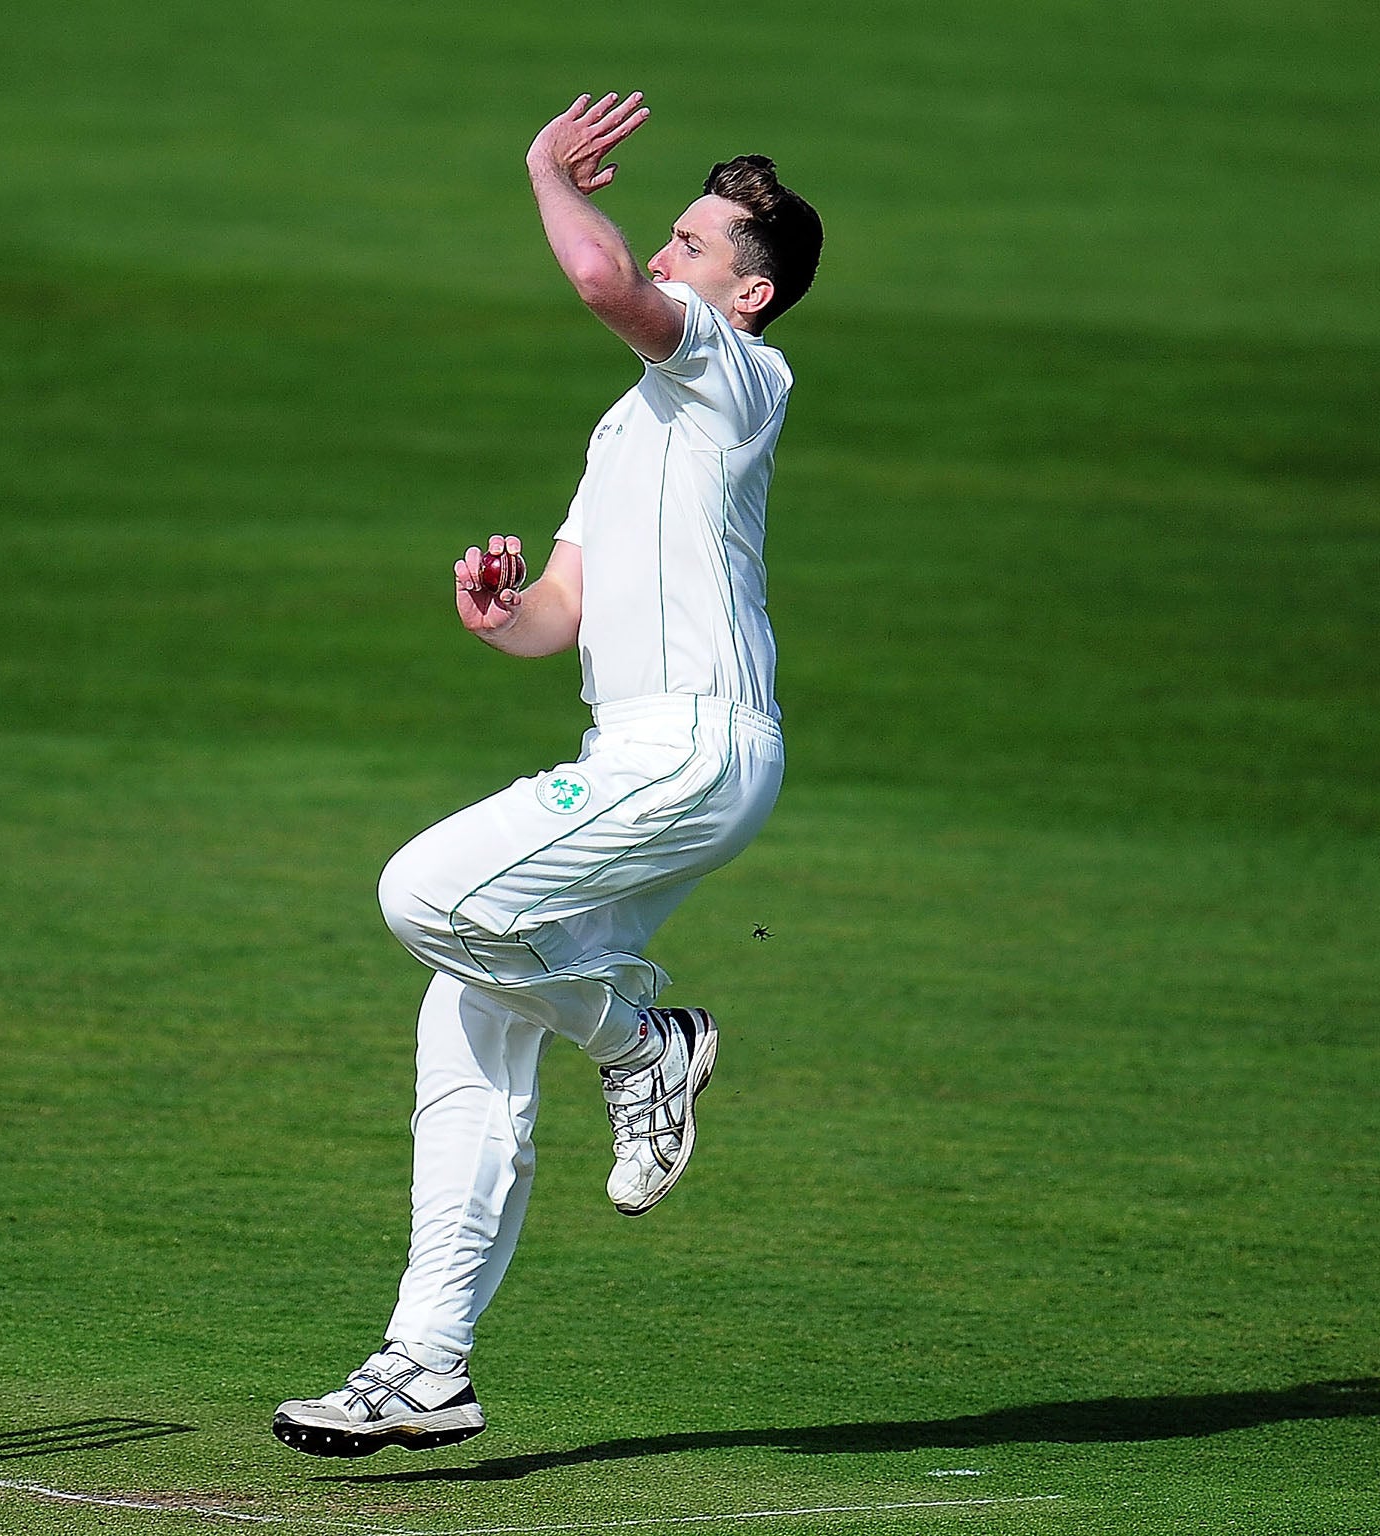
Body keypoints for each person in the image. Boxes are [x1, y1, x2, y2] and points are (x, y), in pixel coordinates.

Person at [273, 90, 823, 1459]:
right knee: (465, 1014)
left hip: (694, 745)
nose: (665, 255)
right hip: (636, 749)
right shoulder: (631, 424)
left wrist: (542, 169)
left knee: (422, 895)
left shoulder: (737, 376)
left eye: (691, 243)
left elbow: (593, 273)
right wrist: (498, 609)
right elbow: (559, 617)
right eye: (672, 237)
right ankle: (427, 1367)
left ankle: (649, 1044)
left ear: (748, 294)